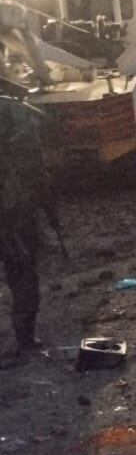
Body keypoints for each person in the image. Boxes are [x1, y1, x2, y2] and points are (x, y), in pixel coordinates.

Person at [0, 82, 58, 361]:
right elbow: (34, 165)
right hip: (12, 211)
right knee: (22, 270)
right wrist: (47, 204)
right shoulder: (14, 111)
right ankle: (25, 338)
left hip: (11, 207)